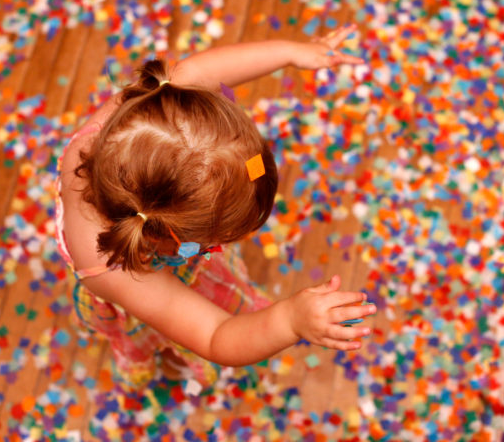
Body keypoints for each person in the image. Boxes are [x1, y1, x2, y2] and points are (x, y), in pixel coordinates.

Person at [54, 24, 376, 388]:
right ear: (181, 241)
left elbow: (202, 68)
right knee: (146, 335)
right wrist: (288, 321)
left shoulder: (152, 109)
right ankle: (139, 359)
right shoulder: (114, 271)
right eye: (226, 235)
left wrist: (291, 51)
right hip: (136, 297)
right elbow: (214, 334)